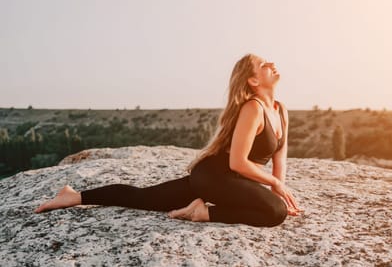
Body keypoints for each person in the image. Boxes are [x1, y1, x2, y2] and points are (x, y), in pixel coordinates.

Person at [35, 53, 302, 227]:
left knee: (148, 198)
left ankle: (74, 196)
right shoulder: (252, 108)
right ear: (253, 80)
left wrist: (281, 191)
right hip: (214, 177)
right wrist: (274, 185)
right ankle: (201, 213)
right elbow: (238, 162)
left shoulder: (280, 110)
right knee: (273, 213)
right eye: (263, 64)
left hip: (227, 182)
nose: (271, 64)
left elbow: (280, 157)